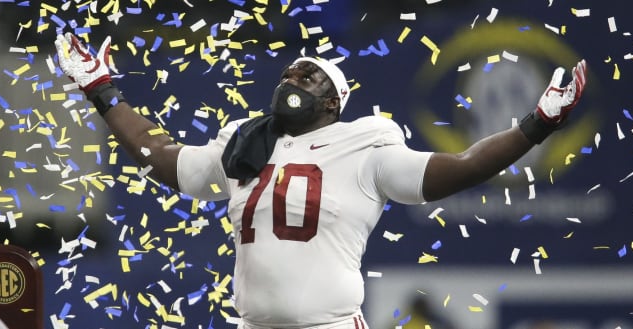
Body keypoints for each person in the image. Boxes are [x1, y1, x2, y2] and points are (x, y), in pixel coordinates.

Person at [53, 32, 587, 329]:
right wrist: (103, 92)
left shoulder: (366, 143)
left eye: (306, 74)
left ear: (333, 99)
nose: (291, 78)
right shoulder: (246, 140)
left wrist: (536, 125)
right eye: (288, 73)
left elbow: (463, 165)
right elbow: (167, 160)